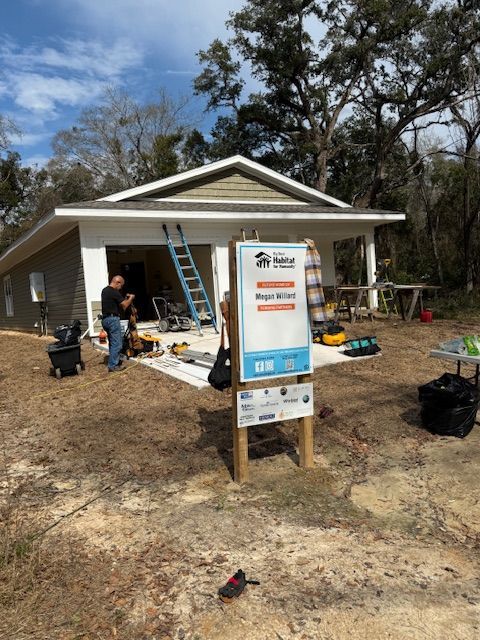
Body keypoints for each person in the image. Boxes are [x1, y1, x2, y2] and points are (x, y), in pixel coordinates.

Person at [101, 275, 135, 372]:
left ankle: (113, 361)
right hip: (112, 320)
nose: (121, 288)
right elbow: (124, 306)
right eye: (121, 286)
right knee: (117, 344)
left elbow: (117, 303)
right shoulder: (114, 291)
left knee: (112, 342)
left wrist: (124, 298)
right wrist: (131, 298)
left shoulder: (105, 290)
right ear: (118, 282)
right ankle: (113, 366)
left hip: (105, 320)